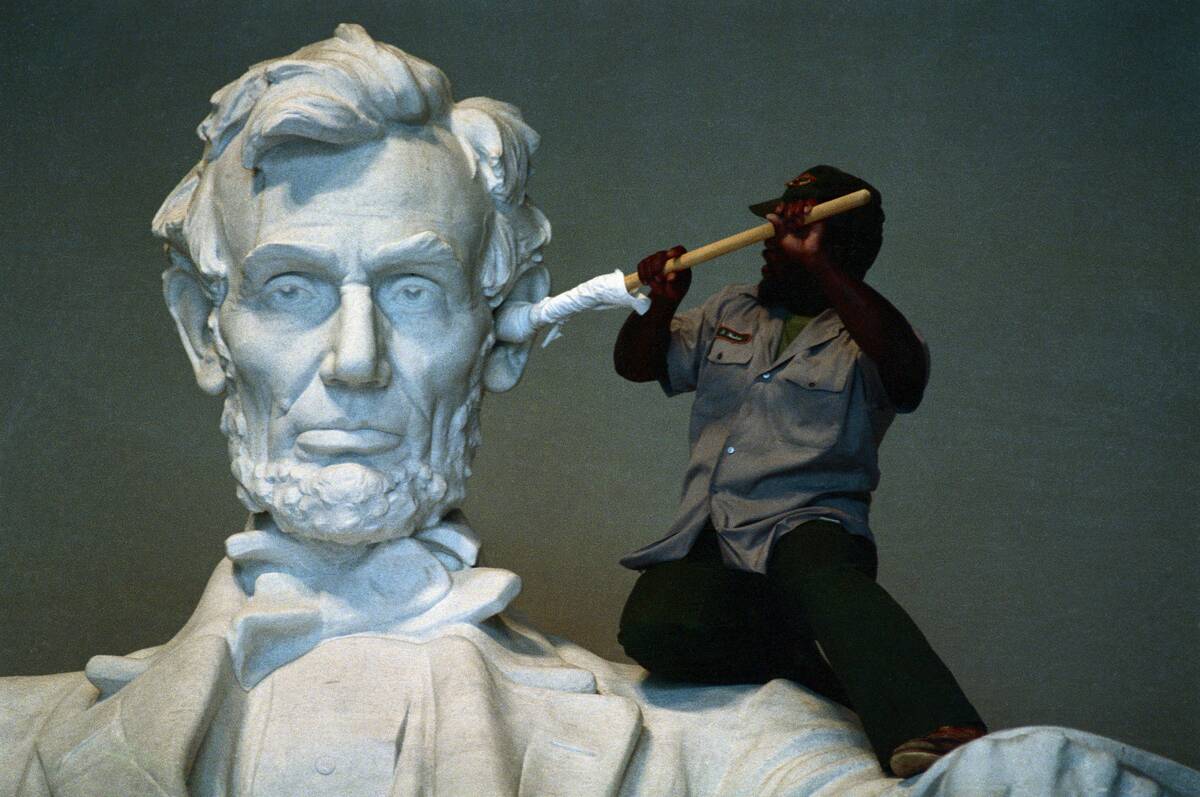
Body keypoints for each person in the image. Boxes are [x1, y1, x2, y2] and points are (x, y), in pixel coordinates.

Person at [613, 166, 986, 776]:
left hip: (809, 525)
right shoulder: (731, 307)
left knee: (825, 579)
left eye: (795, 229)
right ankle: (811, 672)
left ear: (840, 246)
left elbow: (906, 376)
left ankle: (944, 728)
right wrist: (657, 307)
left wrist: (822, 269)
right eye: (775, 227)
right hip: (716, 524)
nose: (770, 242)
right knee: (656, 626)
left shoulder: (867, 332)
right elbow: (636, 365)